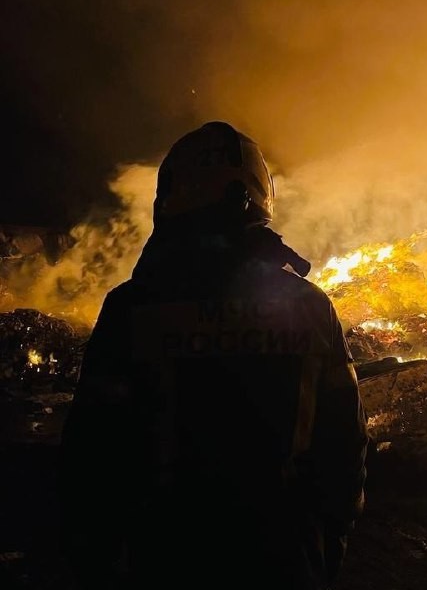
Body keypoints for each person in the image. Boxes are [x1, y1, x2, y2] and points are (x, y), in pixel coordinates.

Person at [58, 121, 369, 589]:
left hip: (165, 555)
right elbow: (343, 443)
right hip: (284, 557)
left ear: (172, 197)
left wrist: (97, 556)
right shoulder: (307, 305)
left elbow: (93, 451)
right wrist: (326, 542)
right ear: (259, 199)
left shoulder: (134, 306)